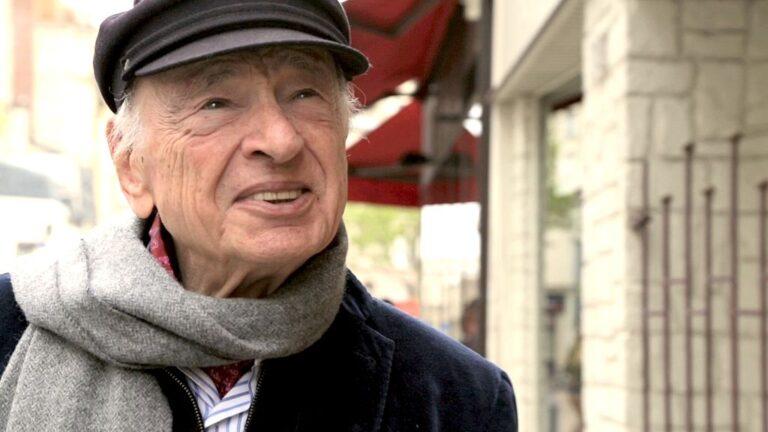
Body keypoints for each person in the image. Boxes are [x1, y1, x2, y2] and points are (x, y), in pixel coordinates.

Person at [0, 1, 517, 431]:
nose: (281, 140)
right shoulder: (10, 331)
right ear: (131, 165)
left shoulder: (457, 399)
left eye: (305, 94)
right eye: (216, 103)